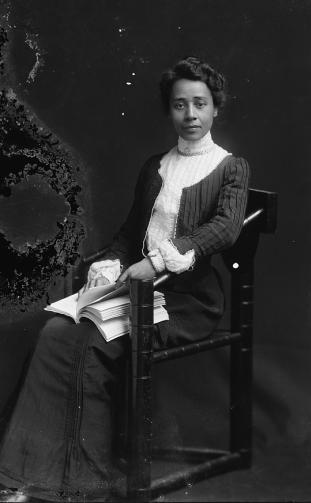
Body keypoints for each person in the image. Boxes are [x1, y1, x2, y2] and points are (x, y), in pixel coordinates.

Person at [0, 56, 250, 501]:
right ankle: (28, 473)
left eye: (200, 104)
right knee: (54, 334)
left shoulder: (231, 167)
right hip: (132, 290)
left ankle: (82, 480)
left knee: (93, 347)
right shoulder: (154, 165)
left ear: (216, 108)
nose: (190, 116)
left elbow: (226, 228)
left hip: (186, 302)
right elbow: (129, 233)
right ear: (168, 110)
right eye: (179, 105)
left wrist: (157, 264)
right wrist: (112, 262)